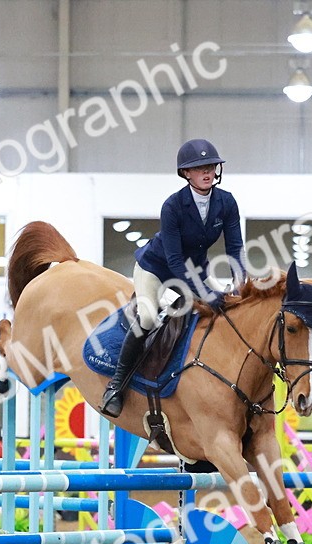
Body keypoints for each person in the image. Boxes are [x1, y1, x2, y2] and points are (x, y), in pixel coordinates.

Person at [100, 138, 245, 418]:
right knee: (147, 319)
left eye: (211, 166)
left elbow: (235, 248)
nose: (207, 171)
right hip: (157, 269)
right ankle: (117, 386)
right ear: (186, 173)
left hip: (195, 269)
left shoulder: (226, 203)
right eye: (199, 167)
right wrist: (204, 292)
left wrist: (239, 282)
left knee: (223, 313)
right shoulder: (173, 206)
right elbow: (175, 261)